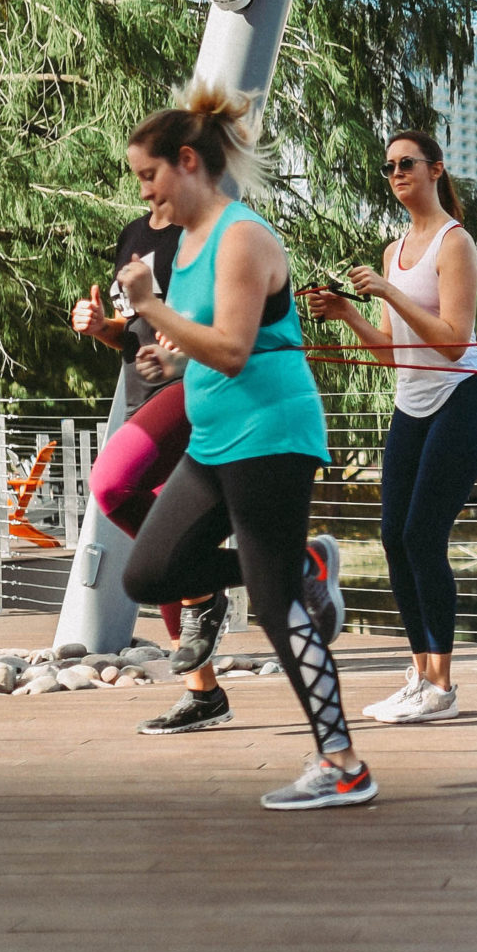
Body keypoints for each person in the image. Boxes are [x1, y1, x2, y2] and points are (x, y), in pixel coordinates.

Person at [112, 85, 370, 812]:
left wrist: (151, 307)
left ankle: (344, 764)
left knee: (274, 602)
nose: (144, 192)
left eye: (149, 175)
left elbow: (232, 348)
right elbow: (215, 345)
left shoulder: (243, 236)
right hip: (218, 438)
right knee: (150, 572)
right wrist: (172, 360)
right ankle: (307, 563)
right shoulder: (190, 245)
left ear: (188, 162)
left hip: (271, 436)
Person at [309, 129, 477, 726]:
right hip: (411, 401)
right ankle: (420, 676)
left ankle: (441, 685)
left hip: (461, 396)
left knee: (422, 535)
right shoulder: (393, 250)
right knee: (393, 536)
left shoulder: (454, 242)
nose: (395, 173)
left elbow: (453, 342)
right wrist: (348, 313)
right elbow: (394, 353)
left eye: (406, 163)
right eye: (388, 166)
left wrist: (388, 290)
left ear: (436, 169)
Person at [71, 200, 232, 732]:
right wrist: (102, 328)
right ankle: (202, 694)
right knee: (161, 548)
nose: (146, 182)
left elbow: (227, 319)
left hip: (190, 390)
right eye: (139, 172)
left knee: (111, 484)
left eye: (152, 168)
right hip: (143, 397)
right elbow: (132, 329)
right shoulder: (135, 233)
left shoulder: (203, 233)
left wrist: (184, 329)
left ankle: (211, 589)